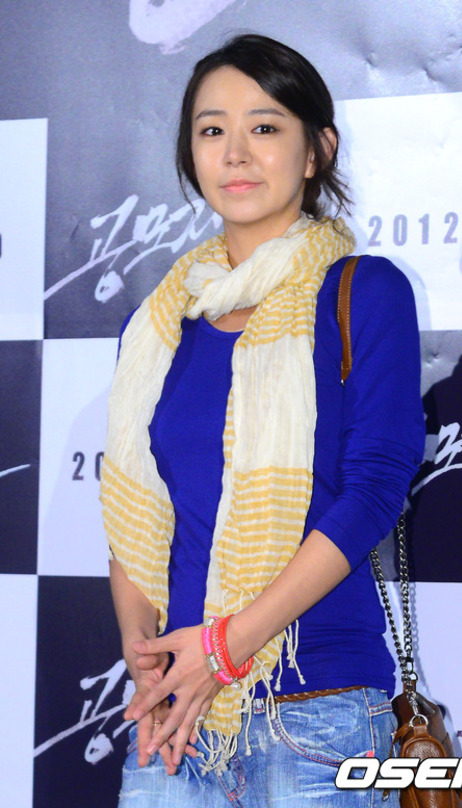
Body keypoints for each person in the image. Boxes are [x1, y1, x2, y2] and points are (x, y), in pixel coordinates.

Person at [100, 33, 425, 807]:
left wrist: (226, 650)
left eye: (266, 126)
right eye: (212, 129)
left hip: (316, 717)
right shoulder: (157, 327)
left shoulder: (363, 293)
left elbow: (374, 492)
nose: (236, 153)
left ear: (318, 151)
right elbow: (134, 517)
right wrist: (145, 658)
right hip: (177, 719)